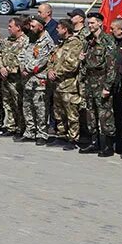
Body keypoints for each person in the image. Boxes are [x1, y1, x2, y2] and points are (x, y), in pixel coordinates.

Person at [80, 12, 117, 156]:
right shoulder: (88, 40)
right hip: (89, 82)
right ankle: (95, 142)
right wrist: (81, 59)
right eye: (89, 23)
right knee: (91, 114)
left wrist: (107, 87)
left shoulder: (107, 41)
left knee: (105, 115)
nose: (90, 25)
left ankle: (108, 146)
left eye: (93, 23)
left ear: (100, 23)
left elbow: (111, 66)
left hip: (101, 82)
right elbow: (85, 63)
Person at [47, 19, 83, 150]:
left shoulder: (75, 44)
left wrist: (56, 72)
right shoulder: (60, 44)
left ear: (65, 29)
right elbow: (52, 59)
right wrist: (50, 70)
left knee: (71, 114)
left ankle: (73, 139)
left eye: (59, 28)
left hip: (69, 86)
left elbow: (72, 65)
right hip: (57, 85)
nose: (57, 30)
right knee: (59, 113)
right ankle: (61, 135)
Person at [20, 16, 55, 145]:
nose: (31, 28)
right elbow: (22, 53)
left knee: (40, 108)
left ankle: (42, 133)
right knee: (27, 106)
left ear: (41, 27)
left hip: (39, 80)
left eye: (33, 26)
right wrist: (22, 67)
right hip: (27, 79)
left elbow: (42, 60)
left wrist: (27, 69)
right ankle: (30, 131)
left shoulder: (47, 41)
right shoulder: (30, 38)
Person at [0, 17, 28, 139]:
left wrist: (9, 69)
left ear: (18, 27)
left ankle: (21, 127)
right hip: (5, 78)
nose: (8, 29)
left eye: (10, 26)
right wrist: (1, 68)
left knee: (18, 103)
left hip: (17, 79)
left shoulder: (25, 41)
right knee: (7, 103)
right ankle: (11, 126)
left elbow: (23, 60)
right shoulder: (6, 41)